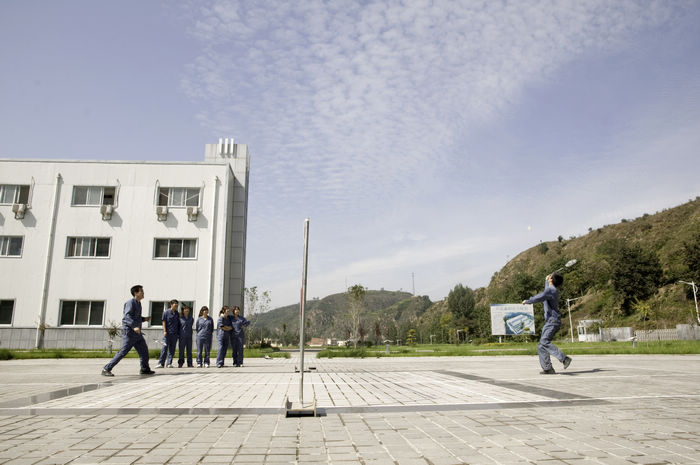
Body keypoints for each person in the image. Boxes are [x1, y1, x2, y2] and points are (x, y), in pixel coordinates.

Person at [523, 273, 572, 374]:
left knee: (544, 342)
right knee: (541, 345)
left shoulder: (551, 291)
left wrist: (528, 301)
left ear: (551, 279)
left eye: (550, 277)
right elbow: (546, 291)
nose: (549, 277)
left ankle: (564, 358)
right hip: (551, 321)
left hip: (552, 321)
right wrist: (546, 281)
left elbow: (541, 296)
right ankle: (547, 368)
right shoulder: (552, 290)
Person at [102, 285, 155, 376]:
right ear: (135, 293)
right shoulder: (130, 303)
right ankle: (106, 368)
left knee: (144, 351)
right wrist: (134, 326)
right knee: (123, 351)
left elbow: (136, 317)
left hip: (137, 333)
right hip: (130, 332)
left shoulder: (138, 303)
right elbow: (127, 317)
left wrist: (144, 319)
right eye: (141, 291)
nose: (143, 293)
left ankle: (144, 369)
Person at [156, 299, 181, 368]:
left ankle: (169, 363)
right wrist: (164, 331)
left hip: (175, 334)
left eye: (177, 305)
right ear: (171, 305)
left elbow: (178, 324)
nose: (176, 306)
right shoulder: (166, 312)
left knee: (172, 349)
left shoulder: (177, 313)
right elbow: (164, 322)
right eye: (175, 305)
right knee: (164, 348)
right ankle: (161, 363)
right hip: (167, 333)